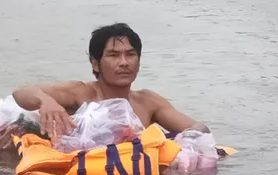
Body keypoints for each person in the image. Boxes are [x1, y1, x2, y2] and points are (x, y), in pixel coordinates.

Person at [12, 23, 209, 143]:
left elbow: (199, 128)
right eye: (114, 55)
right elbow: (21, 92)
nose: (124, 62)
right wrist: (45, 101)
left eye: (130, 54)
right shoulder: (81, 93)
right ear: (95, 63)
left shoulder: (148, 102)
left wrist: (190, 137)